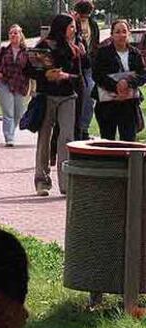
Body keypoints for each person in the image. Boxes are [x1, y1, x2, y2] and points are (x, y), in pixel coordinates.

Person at [27, 14, 85, 196]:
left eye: (74, 27)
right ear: (61, 27)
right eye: (71, 27)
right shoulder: (44, 46)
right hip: (46, 96)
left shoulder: (74, 49)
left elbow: (80, 78)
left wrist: (66, 76)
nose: (74, 30)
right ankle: (42, 181)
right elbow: (28, 69)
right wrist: (46, 75)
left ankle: (66, 183)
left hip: (68, 96)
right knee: (44, 137)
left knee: (66, 138)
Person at [92, 19, 146, 142]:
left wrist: (127, 83)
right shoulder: (103, 53)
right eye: (117, 32)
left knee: (128, 141)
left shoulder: (135, 53)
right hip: (107, 104)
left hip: (129, 104)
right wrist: (116, 86)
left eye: (124, 31)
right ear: (112, 35)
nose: (121, 35)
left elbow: (142, 75)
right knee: (108, 141)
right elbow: (97, 75)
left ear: (128, 34)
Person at [0, 24, 29, 147]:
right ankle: (9, 137)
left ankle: (11, 132)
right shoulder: (3, 51)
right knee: (8, 111)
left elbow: (31, 68)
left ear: (20, 35)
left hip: (20, 84)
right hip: (4, 83)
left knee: (18, 112)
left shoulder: (27, 52)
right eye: (11, 33)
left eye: (15, 33)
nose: (13, 35)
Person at [73, 0, 100, 140]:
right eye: (82, 16)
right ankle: (73, 127)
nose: (84, 18)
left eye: (87, 16)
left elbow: (95, 45)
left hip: (88, 66)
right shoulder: (71, 23)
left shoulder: (94, 26)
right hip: (74, 66)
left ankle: (84, 128)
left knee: (90, 94)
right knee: (75, 97)